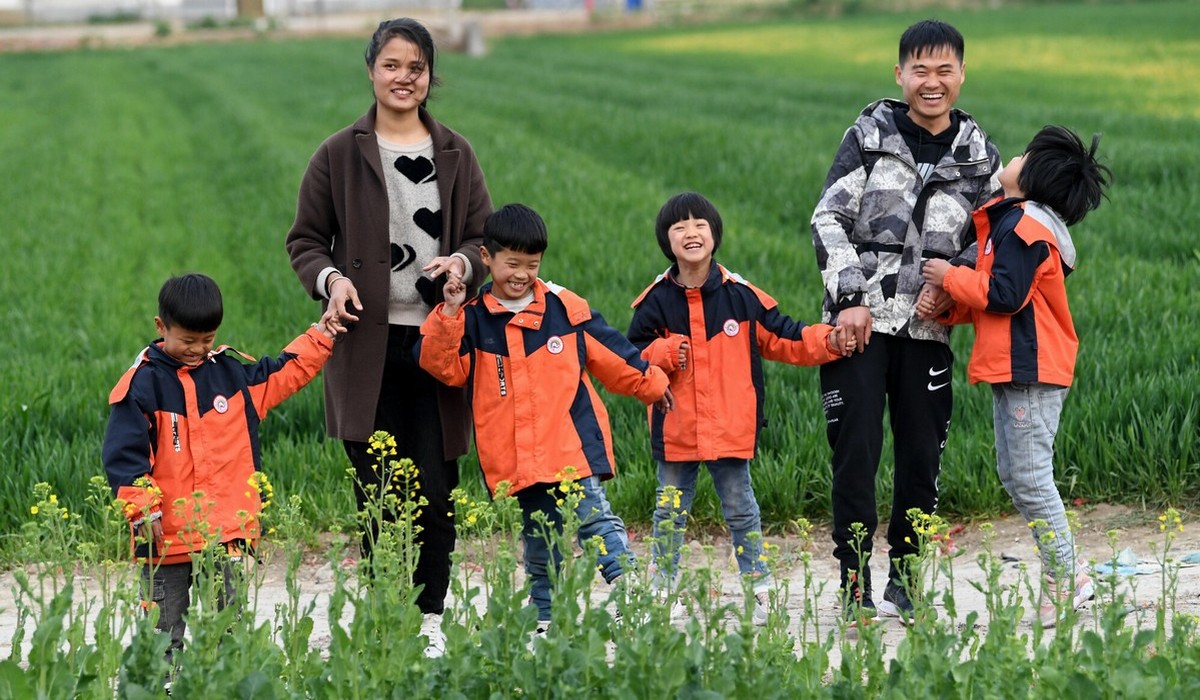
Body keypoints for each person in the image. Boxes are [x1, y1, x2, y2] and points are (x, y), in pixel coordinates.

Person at [285, 17, 493, 654]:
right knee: (377, 487)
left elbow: (482, 239)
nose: (404, 77)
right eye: (392, 65)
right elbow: (306, 241)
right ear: (371, 70)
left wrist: (462, 266)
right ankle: (384, 612)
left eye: (416, 67)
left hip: (436, 344)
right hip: (364, 345)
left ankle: (429, 617)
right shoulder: (338, 154)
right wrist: (330, 281)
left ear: (431, 76)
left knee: (435, 484)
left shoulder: (455, 152)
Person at [809, 18, 1001, 622]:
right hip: (858, 326)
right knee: (856, 454)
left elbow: (988, 241)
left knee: (921, 458)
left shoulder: (979, 157)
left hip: (927, 330)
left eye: (945, 70)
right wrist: (850, 296)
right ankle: (854, 582)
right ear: (900, 75)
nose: (932, 82)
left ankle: (906, 578)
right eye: (920, 70)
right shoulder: (869, 135)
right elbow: (828, 218)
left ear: (962, 75)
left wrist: (952, 289)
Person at [418, 203, 673, 630]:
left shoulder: (564, 308)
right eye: (512, 264)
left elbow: (614, 355)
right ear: (486, 257)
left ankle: (630, 593)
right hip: (521, 459)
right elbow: (444, 367)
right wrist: (448, 312)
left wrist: (652, 383)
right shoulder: (473, 319)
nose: (522, 274)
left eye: (532, 265)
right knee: (540, 541)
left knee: (595, 520)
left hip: (572, 446)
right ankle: (545, 619)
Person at [627, 192, 853, 625]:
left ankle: (759, 584)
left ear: (715, 235)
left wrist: (830, 341)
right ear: (666, 241)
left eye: (700, 225)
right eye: (679, 227)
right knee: (669, 510)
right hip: (676, 428)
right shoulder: (654, 302)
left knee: (741, 507)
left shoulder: (741, 297)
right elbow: (631, 356)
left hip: (730, 426)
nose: (691, 233)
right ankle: (662, 589)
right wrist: (666, 351)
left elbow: (786, 337)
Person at [919, 125, 1111, 627]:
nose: (1015, 156)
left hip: (1032, 369)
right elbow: (997, 297)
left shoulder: (1026, 228)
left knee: (1030, 476)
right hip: (1018, 368)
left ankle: (1067, 577)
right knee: (1016, 473)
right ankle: (1068, 570)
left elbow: (1004, 296)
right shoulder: (1015, 223)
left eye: (1025, 155)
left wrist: (948, 276)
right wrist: (949, 307)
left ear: (1034, 178)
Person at [102, 273, 335, 664]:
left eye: (207, 340)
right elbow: (124, 455)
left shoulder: (231, 377)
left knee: (229, 630)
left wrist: (321, 336)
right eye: (187, 340)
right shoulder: (141, 386)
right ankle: (164, 686)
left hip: (225, 534)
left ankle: (224, 685)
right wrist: (141, 506)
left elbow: (283, 373)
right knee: (162, 635)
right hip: (165, 541)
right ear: (161, 327)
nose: (197, 349)